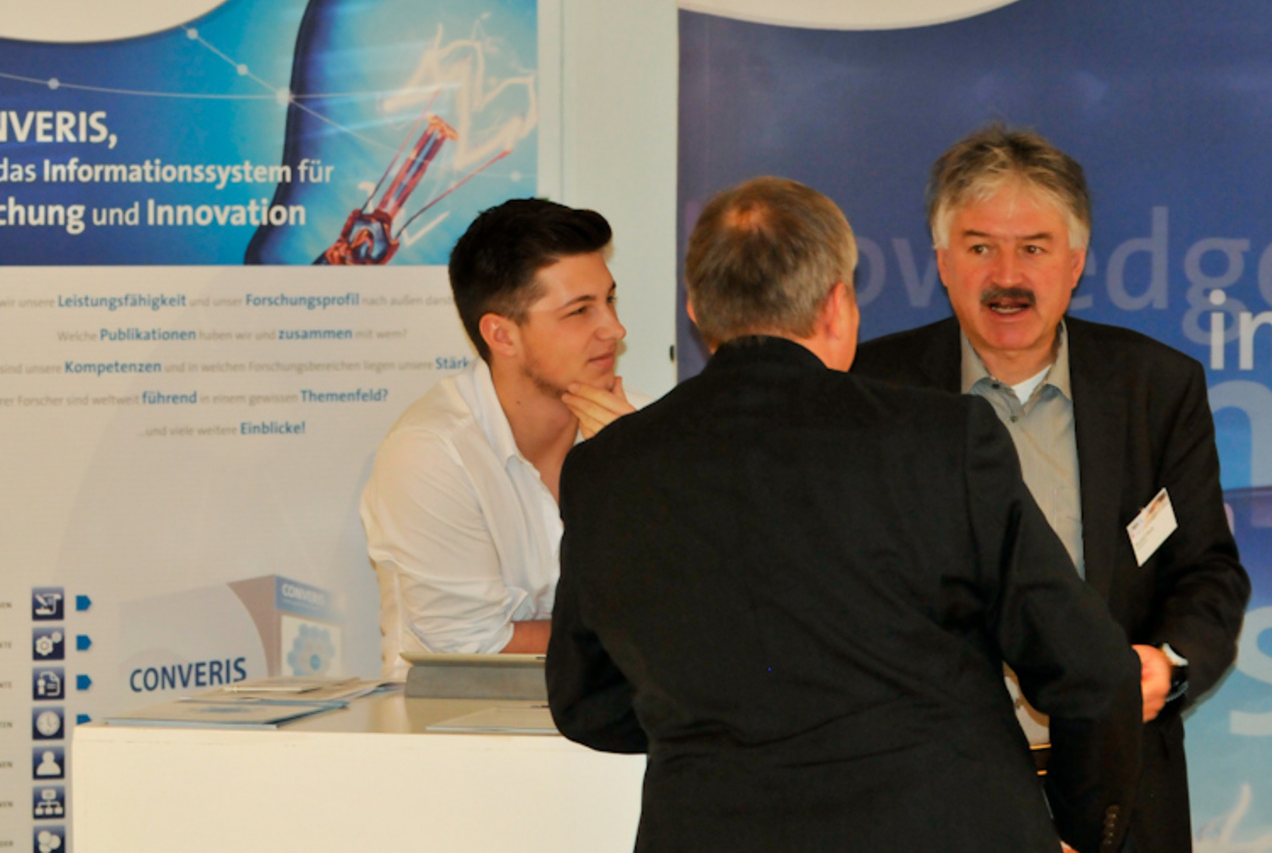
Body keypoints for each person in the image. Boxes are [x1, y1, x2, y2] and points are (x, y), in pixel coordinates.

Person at [547, 177, 1141, 853]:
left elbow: (586, 702)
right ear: (837, 305)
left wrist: (727, 725)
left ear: (696, 308)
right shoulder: (944, 440)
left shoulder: (606, 467)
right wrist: (1081, 831)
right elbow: (1094, 675)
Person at [851, 125, 1251, 853]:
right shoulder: (867, 391)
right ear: (941, 262)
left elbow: (1208, 572)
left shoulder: (1155, 388)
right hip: (923, 800)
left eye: (1033, 248)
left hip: (1119, 798)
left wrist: (1167, 662)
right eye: (980, 248)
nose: (1006, 276)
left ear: (1075, 263)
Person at [360, 198, 638, 679]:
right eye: (579, 311)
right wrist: (636, 634)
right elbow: (472, 647)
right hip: (458, 722)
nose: (614, 329)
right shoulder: (432, 452)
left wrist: (642, 472)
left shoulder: (641, 427)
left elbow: (705, 598)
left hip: (612, 720)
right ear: (502, 336)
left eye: (609, 300)